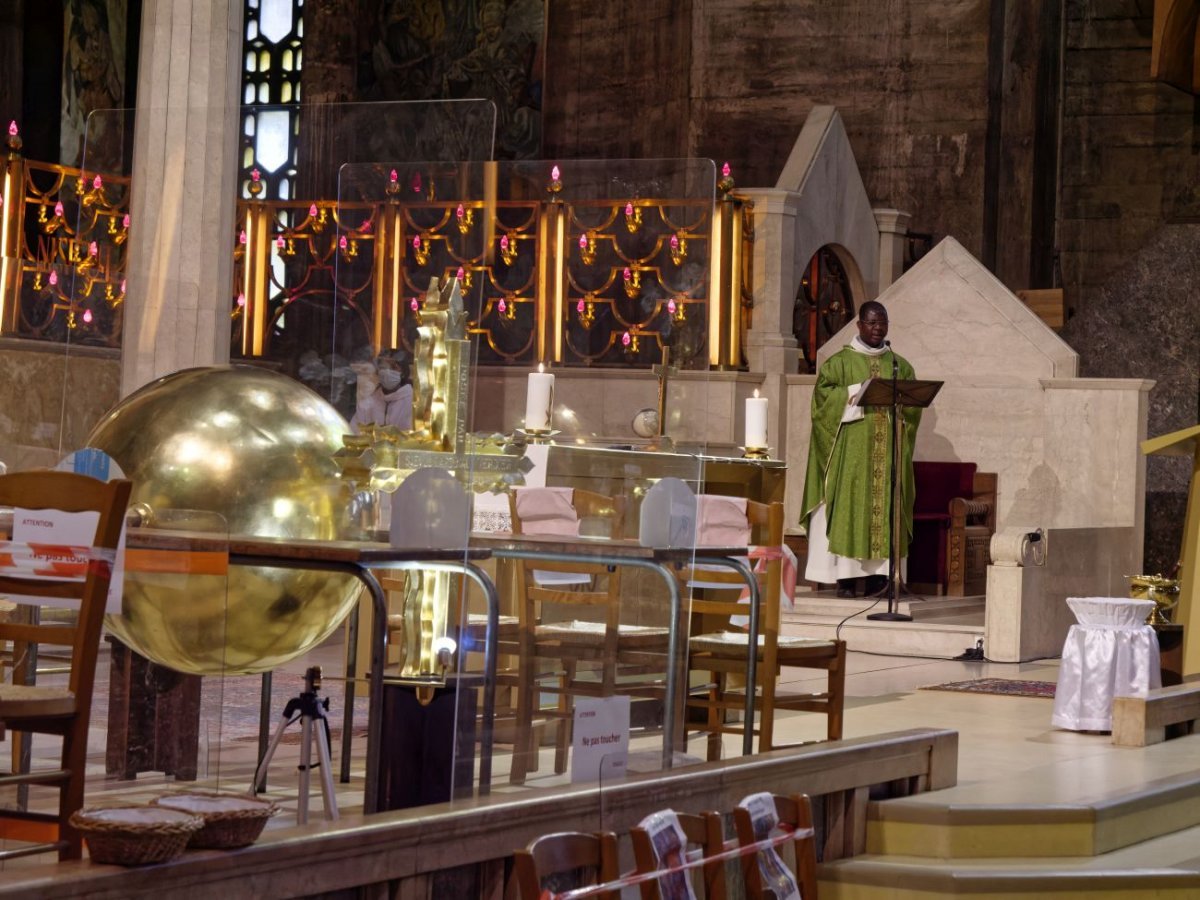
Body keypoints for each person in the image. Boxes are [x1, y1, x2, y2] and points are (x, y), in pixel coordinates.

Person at [800, 301, 921, 598]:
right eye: (872, 323)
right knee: (849, 509)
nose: (878, 328)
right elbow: (821, 404)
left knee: (885, 507)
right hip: (850, 458)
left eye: (883, 323)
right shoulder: (839, 363)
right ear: (859, 325)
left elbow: (913, 410)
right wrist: (854, 392)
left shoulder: (900, 365)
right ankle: (846, 580)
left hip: (887, 455)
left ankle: (882, 578)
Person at [350, 352, 414, 432]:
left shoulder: (413, 403)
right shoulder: (368, 403)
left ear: (403, 372)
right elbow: (354, 432)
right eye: (383, 367)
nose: (387, 371)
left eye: (394, 368)